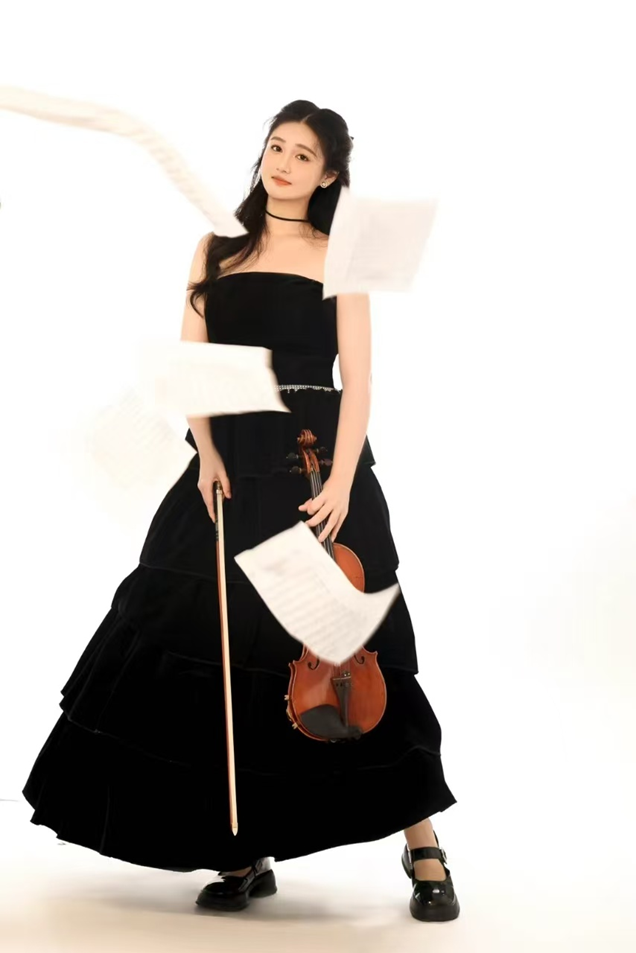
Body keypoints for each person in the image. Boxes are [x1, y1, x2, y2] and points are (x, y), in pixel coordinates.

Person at [22, 99, 460, 923]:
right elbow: (192, 362)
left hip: (314, 457)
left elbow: (359, 378)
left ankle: (423, 840)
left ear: (329, 174)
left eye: (303, 155)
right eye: (275, 147)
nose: (282, 164)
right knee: (220, 642)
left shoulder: (341, 253)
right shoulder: (216, 247)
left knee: (349, 641)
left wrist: (341, 480)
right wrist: (207, 449)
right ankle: (242, 845)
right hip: (231, 459)